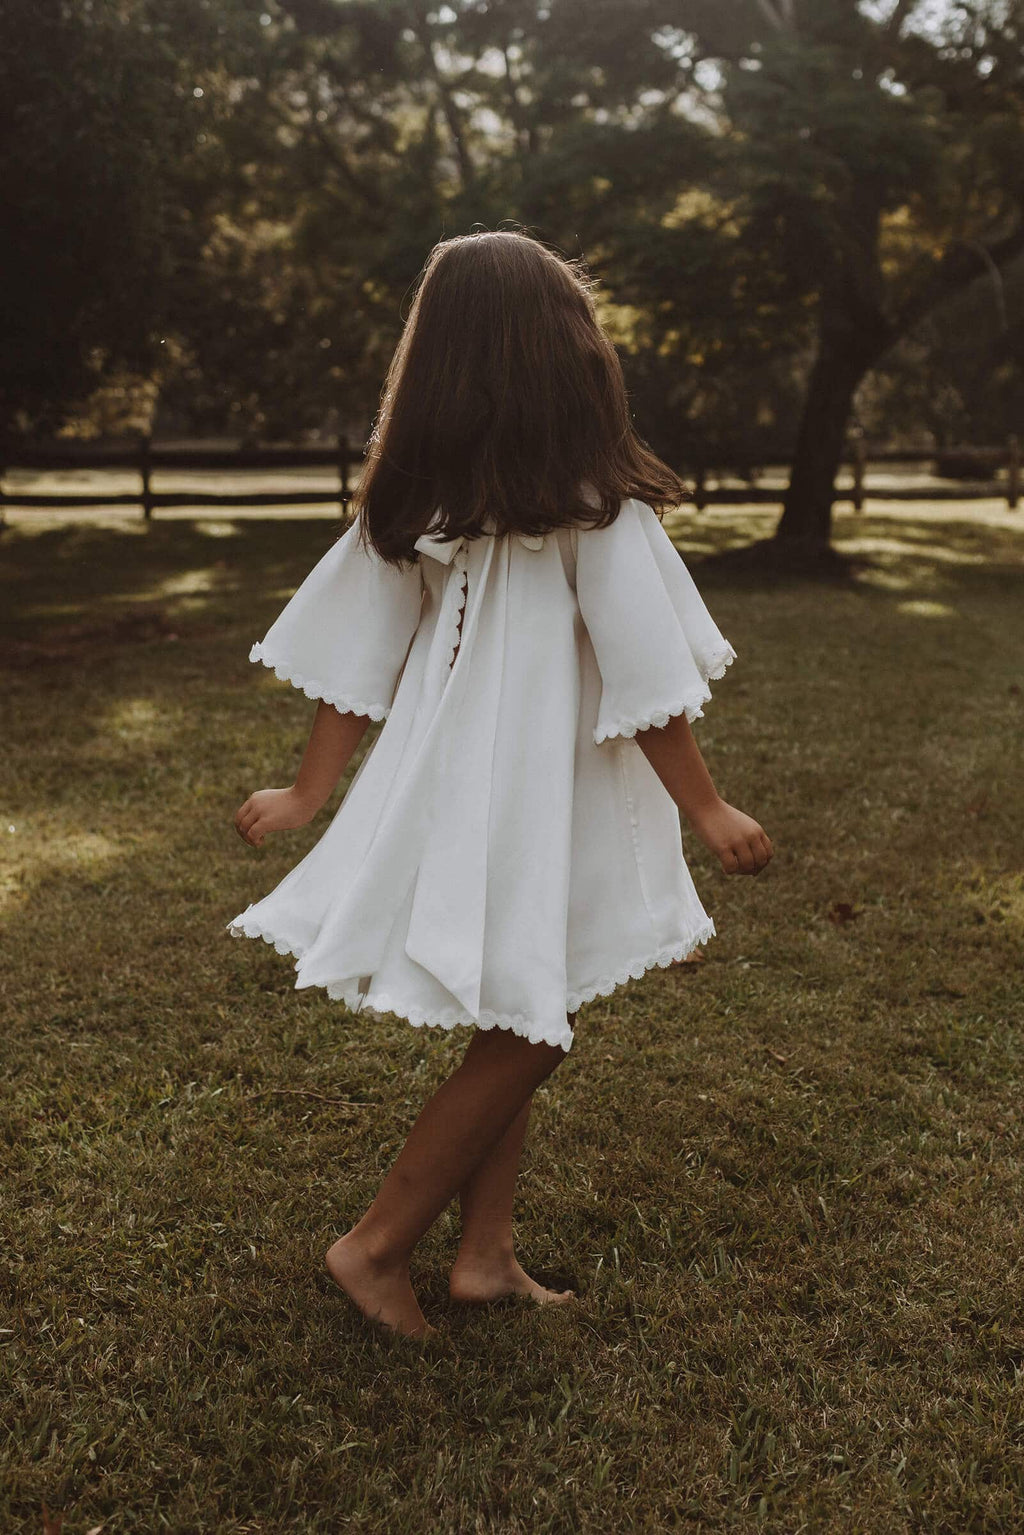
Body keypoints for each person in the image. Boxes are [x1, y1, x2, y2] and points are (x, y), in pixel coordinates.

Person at [228, 230, 773, 1340]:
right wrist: (705, 806)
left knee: (518, 999)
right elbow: (646, 676)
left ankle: (484, 1257)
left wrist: (311, 791)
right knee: (531, 1021)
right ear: (558, 352)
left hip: (455, 780)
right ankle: (375, 1244)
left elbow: (356, 665)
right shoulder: (587, 502)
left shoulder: (425, 494)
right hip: (530, 785)